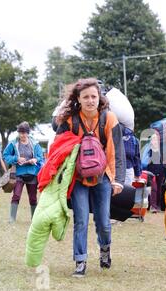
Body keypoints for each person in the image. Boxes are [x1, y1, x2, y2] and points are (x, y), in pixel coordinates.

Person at [54, 78, 126, 278]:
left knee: (103, 222)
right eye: (85, 97)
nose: (90, 100)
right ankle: (80, 261)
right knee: (81, 220)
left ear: (99, 98)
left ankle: (105, 250)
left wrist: (118, 179)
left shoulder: (109, 119)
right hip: (78, 179)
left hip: (102, 177)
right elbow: (58, 150)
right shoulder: (70, 121)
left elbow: (116, 151)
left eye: (94, 96)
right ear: (78, 99)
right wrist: (56, 178)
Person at [3, 122, 44, 223]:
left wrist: (35, 159)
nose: (22, 135)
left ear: (28, 133)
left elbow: (40, 157)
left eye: (24, 133)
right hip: (18, 173)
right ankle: (12, 219)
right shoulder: (13, 143)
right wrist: (16, 159)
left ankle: (34, 219)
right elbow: (5, 155)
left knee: (33, 198)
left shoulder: (35, 143)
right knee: (16, 195)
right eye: (20, 133)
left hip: (32, 173)